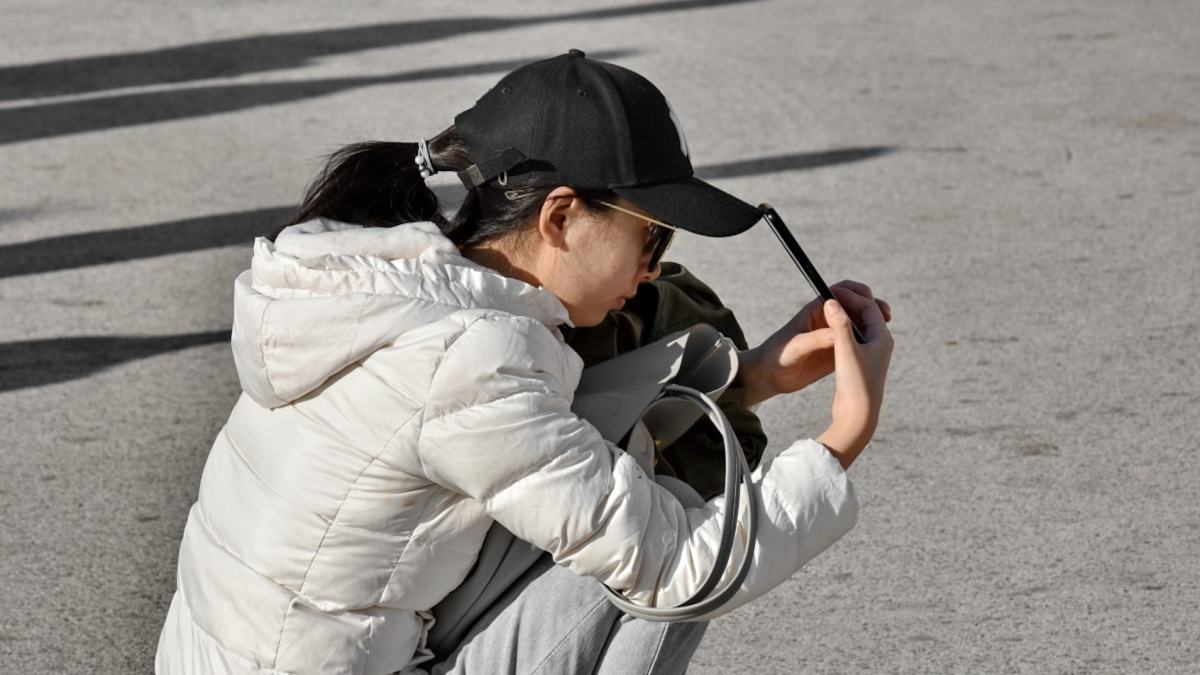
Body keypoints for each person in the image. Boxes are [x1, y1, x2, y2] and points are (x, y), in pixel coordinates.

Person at [155, 49, 893, 674]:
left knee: (622, 484)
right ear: (561, 217)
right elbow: (677, 567)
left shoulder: (405, 286)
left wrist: (756, 375)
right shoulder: (470, 354)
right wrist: (844, 435)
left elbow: (549, 438)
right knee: (663, 555)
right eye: (650, 238)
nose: (652, 267)